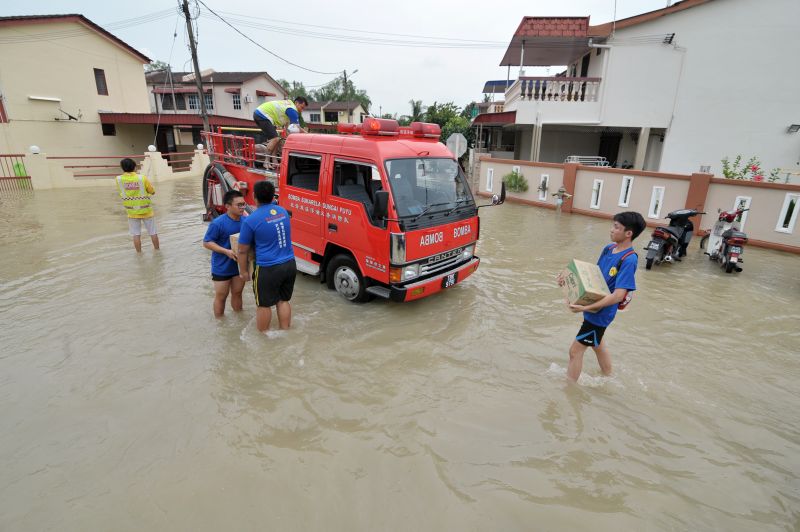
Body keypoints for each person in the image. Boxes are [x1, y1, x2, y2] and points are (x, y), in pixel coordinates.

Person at [558, 211, 646, 382]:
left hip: (600, 314)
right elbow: (593, 277)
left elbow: (618, 295)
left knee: (575, 351)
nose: (611, 230)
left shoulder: (629, 260)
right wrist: (567, 281)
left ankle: (569, 390)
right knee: (597, 343)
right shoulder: (609, 249)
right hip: (593, 308)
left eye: (616, 227)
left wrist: (586, 307)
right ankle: (609, 377)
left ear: (629, 233)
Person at [237, 180, 296, 333]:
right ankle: (285, 331)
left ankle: (263, 339)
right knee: (283, 300)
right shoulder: (283, 212)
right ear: (272, 196)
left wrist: (243, 272)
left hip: (268, 268)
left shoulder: (250, 220)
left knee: (263, 304)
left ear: (254, 196)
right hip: (290, 263)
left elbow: (242, 250)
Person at [203, 190, 247, 318]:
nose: (243, 207)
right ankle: (220, 323)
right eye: (239, 205)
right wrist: (226, 251)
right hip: (222, 266)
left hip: (239, 266)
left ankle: (239, 319)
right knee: (221, 296)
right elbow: (207, 242)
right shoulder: (218, 223)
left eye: (244, 204)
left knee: (238, 293)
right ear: (227, 206)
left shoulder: (246, 221)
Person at [116, 158, 159, 253]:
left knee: (136, 235)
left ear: (122, 168)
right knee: (153, 233)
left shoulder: (118, 179)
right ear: (135, 167)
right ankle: (157, 251)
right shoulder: (142, 178)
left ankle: (139, 255)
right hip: (146, 211)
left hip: (131, 212)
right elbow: (152, 191)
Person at [253, 97, 308, 167]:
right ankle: (266, 162)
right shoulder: (292, 110)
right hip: (262, 115)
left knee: (277, 139)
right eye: (301, 107)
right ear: (296, 103)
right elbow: (296, 128)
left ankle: (274, 161)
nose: (301, 110)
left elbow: (288, 129)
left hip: (262, 114)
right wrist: (307, 135)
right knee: (275, 139)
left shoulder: (288, 107)